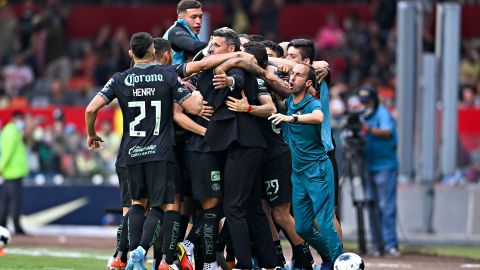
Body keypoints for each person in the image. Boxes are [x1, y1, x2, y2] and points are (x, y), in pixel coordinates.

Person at [85, 32, 203, 270]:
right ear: (153, 52)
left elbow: (90, 109)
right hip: (160, 152)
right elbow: (194, 106)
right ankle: (148, 254)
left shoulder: (119, 78)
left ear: (130, 53)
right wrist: (197, 94)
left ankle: (126, 255)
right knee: (164, 205)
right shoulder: (166, 75)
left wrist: (91, 134)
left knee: (137, 204)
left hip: (131, 152)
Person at [221, 42, 315, 270]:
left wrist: (248, 108)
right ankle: (273, 260)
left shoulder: (268, 81)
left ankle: (306, 259)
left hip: (275, 153)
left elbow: (274, 107)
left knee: (281, 213)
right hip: (259, 153)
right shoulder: (263, 79)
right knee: (259, 208)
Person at [199, 27, 278, 269]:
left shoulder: (237, 67)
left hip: (243, 143)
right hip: (247, 144)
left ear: (231, 48)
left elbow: (238, 78)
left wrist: (230, 78)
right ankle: (270, 263)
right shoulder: (216, 62)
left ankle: (244, 264)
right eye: (210, 43)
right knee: (252, 206)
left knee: (233, 207)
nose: (211, 48)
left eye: (216, 44)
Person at [269, 63, 343, 270]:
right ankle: (334, 258)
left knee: (326, 224)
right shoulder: (289, 101)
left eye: (298, 75)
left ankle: (339, 264)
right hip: (298, 175)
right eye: (292, 74)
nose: (292, 77)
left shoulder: (312, 103)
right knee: (302, 228)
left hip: (318, 171)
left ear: (308, 82)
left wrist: (291, 118)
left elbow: (319, 117)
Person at [358, 87, 400, 257]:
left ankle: (390, 244)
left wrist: (367, 129)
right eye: (363, 101)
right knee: (372, 205)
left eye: (367, 101)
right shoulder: (362, 114)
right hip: (369, 164)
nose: (365, 104)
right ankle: (377, 244)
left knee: (386, 206)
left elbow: (387, 131)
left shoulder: (382, 113)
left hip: (385, 165)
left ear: (374, 100)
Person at [0, 111, 28, 236]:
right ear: (15, 119)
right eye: (21, 119)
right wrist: (0, 167)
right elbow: (7, 153)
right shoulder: (11, 132)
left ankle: (3, 225)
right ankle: (16, 227)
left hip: (11, 172)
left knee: (6, 201)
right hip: (13, 172)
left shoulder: (11, 131)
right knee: (14, 202)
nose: (22, 122)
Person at [163, 0, 208, 64]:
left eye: (200, 17)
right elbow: (193, 47)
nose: (199, 21)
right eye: (193, 17)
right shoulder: (175, 31)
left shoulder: (193, 33)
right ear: (180, 18)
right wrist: (216, 45)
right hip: (171, 73)